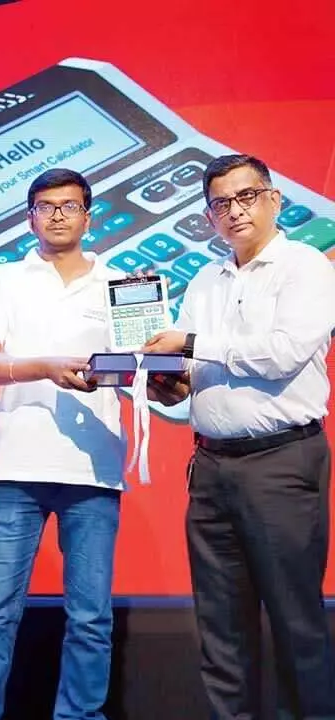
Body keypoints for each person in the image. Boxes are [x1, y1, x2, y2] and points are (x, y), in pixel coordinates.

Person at [143, 154, 335, 718]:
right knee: (221, 628)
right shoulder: (205, 279)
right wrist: (166, 386)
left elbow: (281, 356)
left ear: (275, 200)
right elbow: (195, 373)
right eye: (221, 203)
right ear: (208, 216)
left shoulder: (306, 268)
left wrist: (192, 343)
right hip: (211, 468)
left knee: (296, 623)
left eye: (246, 197)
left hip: (281, 462)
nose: (235, 211)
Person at [0, 169, 126, 720]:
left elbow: (142, 367)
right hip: (18, 464)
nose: (57, 215)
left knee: (91, 616)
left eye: (69, 206)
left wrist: (122, 371)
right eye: (45, 206)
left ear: (88, 215)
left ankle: (79, 715)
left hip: (94, 466)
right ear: (30, 216)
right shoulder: (4, 279)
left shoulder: (121, 281)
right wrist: (46, 367)